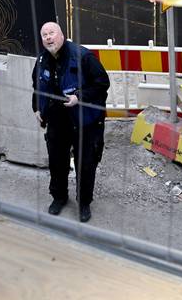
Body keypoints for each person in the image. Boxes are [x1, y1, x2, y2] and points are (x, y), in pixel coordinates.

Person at [31, 22, 110, 223]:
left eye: (52, 33)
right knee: (57, 161)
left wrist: (80, 97)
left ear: (62, 35)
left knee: (85, 163)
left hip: (84, 119)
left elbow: (102, 84)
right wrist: (37, 108)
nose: (48, 38)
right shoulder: (41, 60)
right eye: (44, 35)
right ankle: (59, 197)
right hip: (57, 118)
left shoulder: (83, 56)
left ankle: (84, 203)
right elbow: (37, 85)